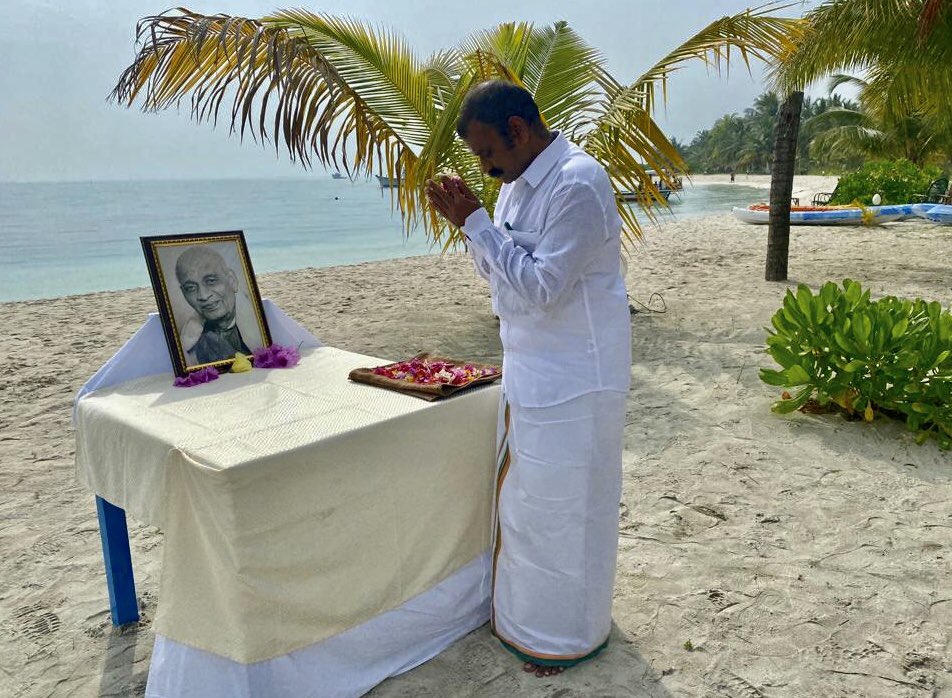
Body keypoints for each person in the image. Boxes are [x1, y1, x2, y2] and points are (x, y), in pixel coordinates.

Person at [424, 80, 631, 677]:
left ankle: (567, 638)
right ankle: (528, 625)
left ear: (519, 129)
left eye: (489, 152)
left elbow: (542, 288)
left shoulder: (577, 182)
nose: (486, 167)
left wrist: (476, 223)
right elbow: (501, 278)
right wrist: (475, 227)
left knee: (570, 512)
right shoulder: (515, 188)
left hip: (577, 377)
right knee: (528, 507)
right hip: (528, 368)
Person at [174, 245, 253, 364]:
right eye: (190, 288)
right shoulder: (191, 344)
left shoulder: (258, 317)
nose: (203, 296)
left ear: (232, 280)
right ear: (183, 292)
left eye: (211, 281)